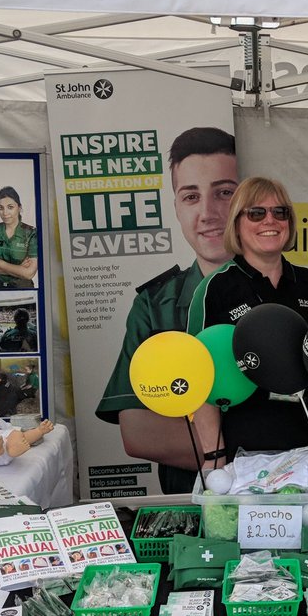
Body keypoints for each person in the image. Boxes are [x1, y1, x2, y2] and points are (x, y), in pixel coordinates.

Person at [96, 127, 239, 492]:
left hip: (282, 504)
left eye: (224, 193)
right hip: (189, 504)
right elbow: (139, 433)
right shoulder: (155, 305)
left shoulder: (289, 292)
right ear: (176, 207)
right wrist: (260, 455)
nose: (208, 213)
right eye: (191, 196)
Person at [188, 176, 308, 459]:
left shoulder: (307, 282)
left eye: (280, 212)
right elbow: (201, 381)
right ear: (237, 224)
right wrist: (213, 457)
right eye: (256, 213)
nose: (270, 221)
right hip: (243, 453)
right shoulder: (216, 288)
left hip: (307, 446)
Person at [0, 186, 38, 289]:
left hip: (22, 287)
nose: (5, 213)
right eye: (0, 208)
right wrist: (19, 270)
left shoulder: (31, 233)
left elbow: (29, 273)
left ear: (19, 207)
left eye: (10, 207)